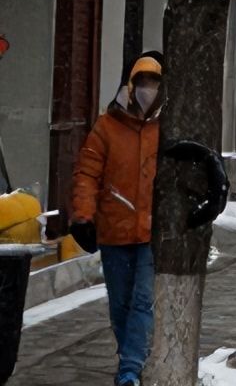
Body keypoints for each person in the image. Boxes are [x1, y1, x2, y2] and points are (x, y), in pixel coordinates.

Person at [70, 55, 161, 386]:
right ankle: (130, 357)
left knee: (142, 301)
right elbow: (87, 172)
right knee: (120, 304)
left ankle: (130, 368)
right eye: (143, 83)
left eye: (154, 83)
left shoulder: (165, 128)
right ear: (131, 85)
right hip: (114, 229)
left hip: (152, 232)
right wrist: (82, 214)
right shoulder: (106, 127)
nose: (148, 90)